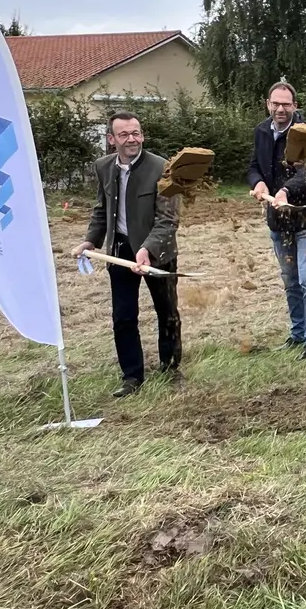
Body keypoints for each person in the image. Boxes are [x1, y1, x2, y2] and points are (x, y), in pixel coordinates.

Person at [72, 112, 182, 397]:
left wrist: (147, 249)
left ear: (142, 135)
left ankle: (170, 369)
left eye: (136, 133)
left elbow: (168, 220)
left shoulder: (163, 168)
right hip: (120, 250)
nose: (132, 139)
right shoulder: (103, 167)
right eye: (124, 134)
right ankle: (132, 376)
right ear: (111, 140)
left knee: (167, 311)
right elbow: (101, 208)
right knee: (123, 316)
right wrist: (90, 241)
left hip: (157, 251)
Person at [245, 81, 306, 360]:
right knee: (290, 280)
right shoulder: (261, 131)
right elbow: (254, 165)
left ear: (295, 105)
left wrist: (284, 190)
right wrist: (258, 184)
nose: (280, 109)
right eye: (275, 103)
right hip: (278, 219)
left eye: (286, 104)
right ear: (268, 103)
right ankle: (298, 334)